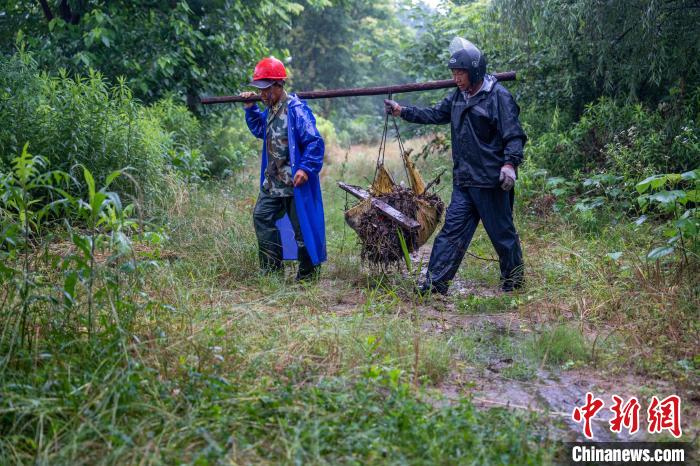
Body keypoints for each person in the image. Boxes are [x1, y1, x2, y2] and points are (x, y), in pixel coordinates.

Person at [384, 39, 526, 294]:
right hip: (464, 182)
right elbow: (435, 114)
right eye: (454, 74)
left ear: (474, 72)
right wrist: (402, 111)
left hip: (490, 182)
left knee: (502, 235)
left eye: (460, 73)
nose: (456, 78)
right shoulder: (458, 97)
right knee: (451, 234)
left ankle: (514, 284)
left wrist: (510, 164)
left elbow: (514, 135)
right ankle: (433, 285)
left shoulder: (499, 97)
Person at [239, 56, 326, 281]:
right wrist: (250, 108)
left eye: (266, 89)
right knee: (262, 217)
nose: (263, 95)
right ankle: (271, 270)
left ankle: (307, 276)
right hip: (273, 182)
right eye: (260, 90)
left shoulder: (296, 110)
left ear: (279, 85)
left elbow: (314, 142)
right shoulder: (269, 109)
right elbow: (262, 131)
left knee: (301, 229)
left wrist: (305, 169)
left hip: (294, 183)